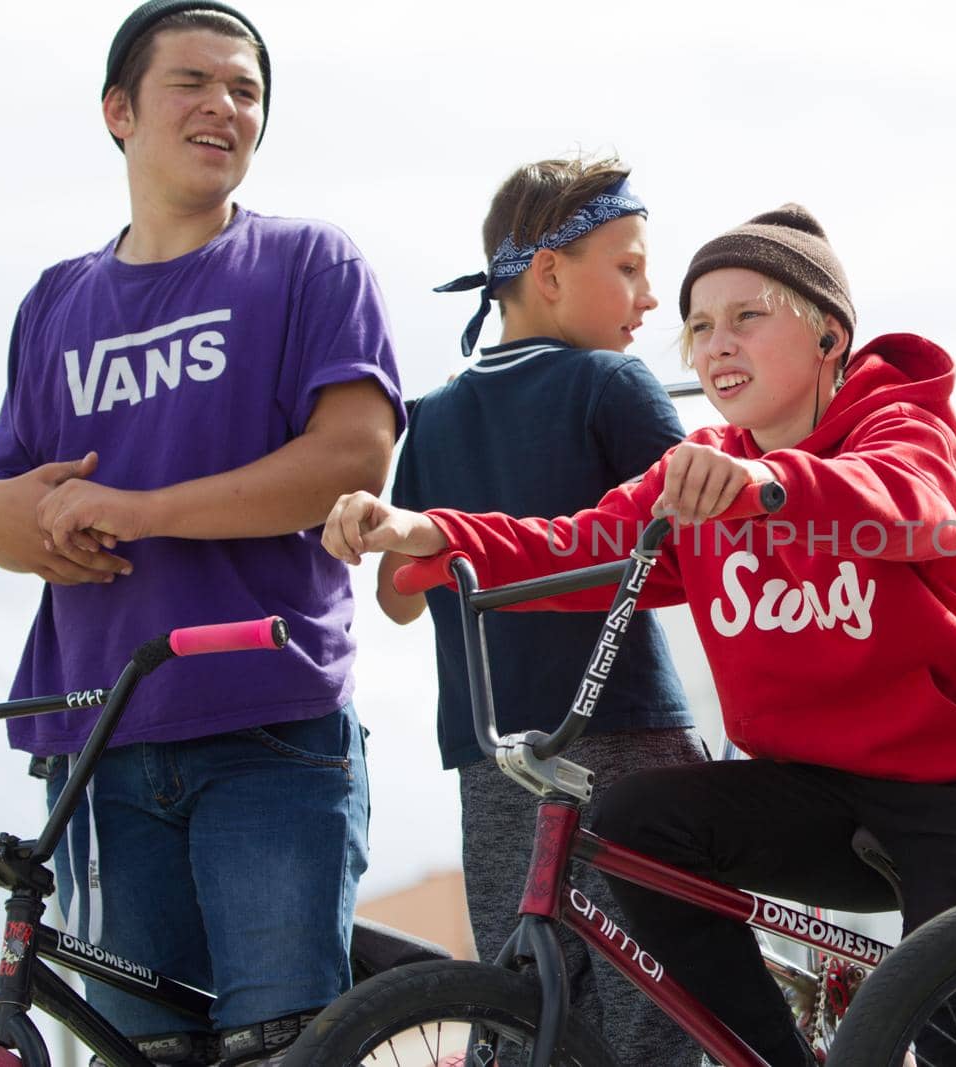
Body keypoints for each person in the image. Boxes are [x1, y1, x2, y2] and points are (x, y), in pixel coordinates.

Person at [322, 204, 956, 1066]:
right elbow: (580, 544)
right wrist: (432, 533)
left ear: (830, 336)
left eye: (747, 317)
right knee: (635, 821)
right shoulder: (700, 477)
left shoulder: (900, 425)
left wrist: (762, 482)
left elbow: (911, 506)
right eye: (699, 327)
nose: (717, 344)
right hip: (822, 794)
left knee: (955, 1030)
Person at [0, 3, 403, 1064]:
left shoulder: (310, 261)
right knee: (139, 1053)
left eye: (245, 91)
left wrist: (137, 510)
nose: (224, 107)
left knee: (280, 1045)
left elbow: (351, 458)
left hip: (271, 720)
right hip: (98, 731)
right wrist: (29, 525)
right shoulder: (53, 301)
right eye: (193, 84)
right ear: (120, 111)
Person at [378, 155, 702, 1067]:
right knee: (665, 1008)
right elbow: (694, 537)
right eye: (630, 267)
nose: (650, 299)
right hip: (628, 731)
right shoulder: (616, 386)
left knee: (531, 1009)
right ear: (551, 273)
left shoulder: (432, 418)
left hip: (496, 758)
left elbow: (397, 600)